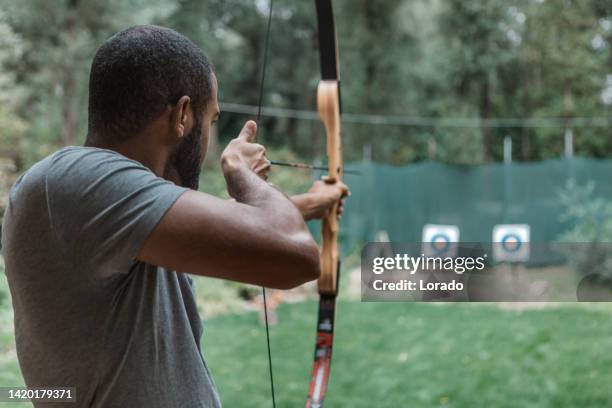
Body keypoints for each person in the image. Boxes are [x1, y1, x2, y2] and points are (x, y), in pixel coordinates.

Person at [1, 25, 348, 408]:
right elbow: (294, 257)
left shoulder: (94, 200)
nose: (209, 138)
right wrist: (240, 172)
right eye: (211, 121)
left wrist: (308, 204)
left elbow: (213, 229)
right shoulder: (78, 179)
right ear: (183, 114)